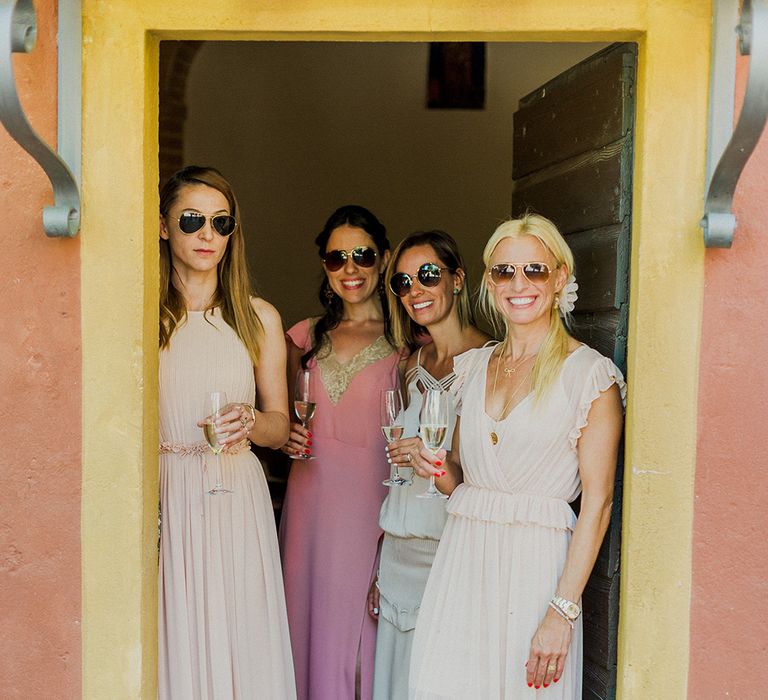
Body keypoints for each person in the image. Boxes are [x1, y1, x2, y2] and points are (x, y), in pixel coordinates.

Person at [408, 213, 625, 699]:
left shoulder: (590, 376)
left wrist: (562, 612)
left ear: (559, 278)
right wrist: (435, 464)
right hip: (462, 563)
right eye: (504, 271)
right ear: (489, 281)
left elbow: (599, 505)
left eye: (535, 270)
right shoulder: (472, 367)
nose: (518, 284)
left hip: (535, 573)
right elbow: (459, 479)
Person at [157, 166, 296, 699]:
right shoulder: (144, 315)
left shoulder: (257, 317)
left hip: (236, 495)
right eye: (192, 220)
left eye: (221, 222)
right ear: (165, 226)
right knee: (177, 629)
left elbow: (280, 428)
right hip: (170, 491)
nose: (207, 234)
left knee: (238, 633)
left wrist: (252, 420)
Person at [279, 205, 402, 700]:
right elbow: (276, 422)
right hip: (309, 509)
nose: (350, 269)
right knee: (302, 631)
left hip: (371, 513)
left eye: (363, 255)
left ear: (385, 259)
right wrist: (282, 437)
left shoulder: (408, 344)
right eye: (336, 259)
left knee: (361, 649)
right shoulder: (302, 337)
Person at [366, 230, 489, 699]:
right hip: (398, 556)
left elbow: (480, 471)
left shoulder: (489, 363)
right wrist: (380, 565)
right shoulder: (411, 365)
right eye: (401, 283)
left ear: (457, 280)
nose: (414, 289)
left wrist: (432, 460)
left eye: (428, 275)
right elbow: (395, 480)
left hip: (447, 554)